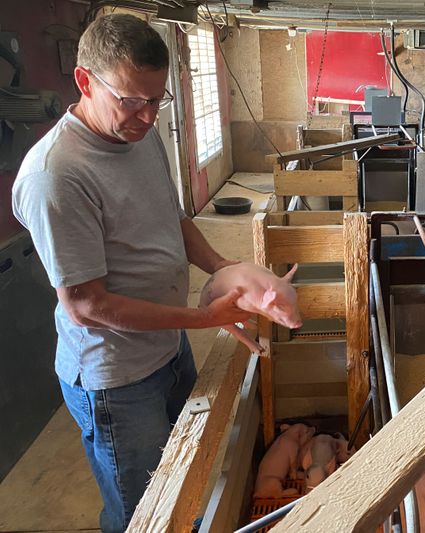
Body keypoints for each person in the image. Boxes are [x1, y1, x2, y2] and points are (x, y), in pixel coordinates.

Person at [11, 13, 251, 532]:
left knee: (185, 477)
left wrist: (221, 265)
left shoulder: (142, 134)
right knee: (141, 511)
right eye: (130, 100)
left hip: (166, 348)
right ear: (84, 81)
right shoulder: (57, 175)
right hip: (116, 377)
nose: (146, 116)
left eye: (156, 99)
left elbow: (174, 217)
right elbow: (87, 305)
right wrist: (203, 318)